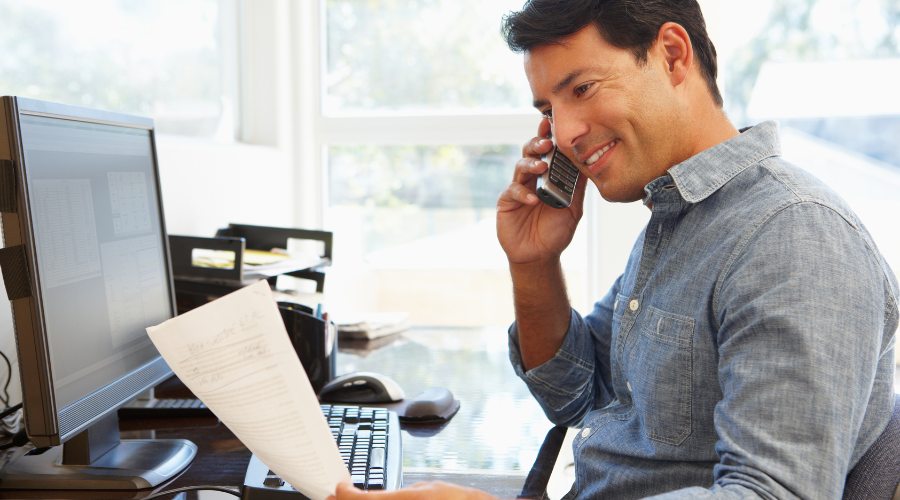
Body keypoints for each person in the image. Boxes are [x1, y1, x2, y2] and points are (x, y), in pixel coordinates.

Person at [332, 0, 899, 498]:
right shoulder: (679, 221)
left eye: (581, 89)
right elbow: (575, 394)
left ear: (673, 55)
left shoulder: (792, 238)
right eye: (549, 110)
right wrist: (533, 263)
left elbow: (772, 495)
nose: (567, 131)